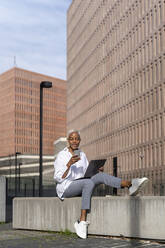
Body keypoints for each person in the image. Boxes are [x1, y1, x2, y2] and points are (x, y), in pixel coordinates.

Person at [54, 130, 149, 239]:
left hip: (82, 184)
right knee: (87, 182)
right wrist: (69, 164)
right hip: (66, 187)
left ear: (79, 141)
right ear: (68, 141)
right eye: (72, 139)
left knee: (100, 175)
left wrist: (95, 170)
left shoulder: (82, 155)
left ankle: (130, 185)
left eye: (77, 139)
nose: (74, 141)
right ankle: (82, 221)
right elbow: (58, 177)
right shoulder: (62, 155)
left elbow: (86, 174)